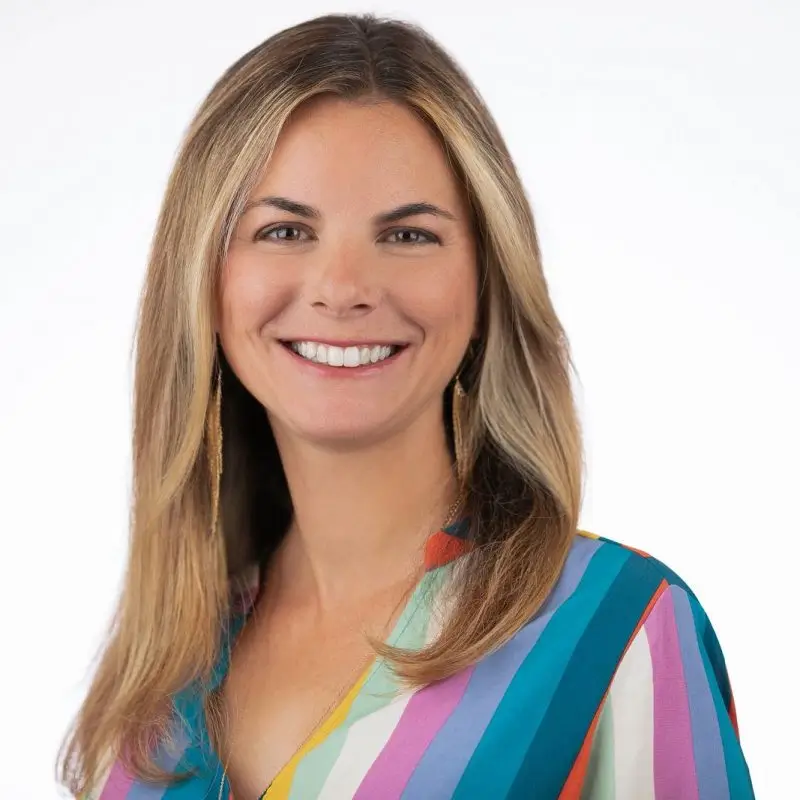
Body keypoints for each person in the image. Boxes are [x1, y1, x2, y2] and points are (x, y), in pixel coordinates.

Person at [58, 13, 755, 800]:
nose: (345, 288)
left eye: (409, 236)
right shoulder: (159, 676)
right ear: (205, 282)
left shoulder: (618, 635)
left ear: (487, 281)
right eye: (285, 230)